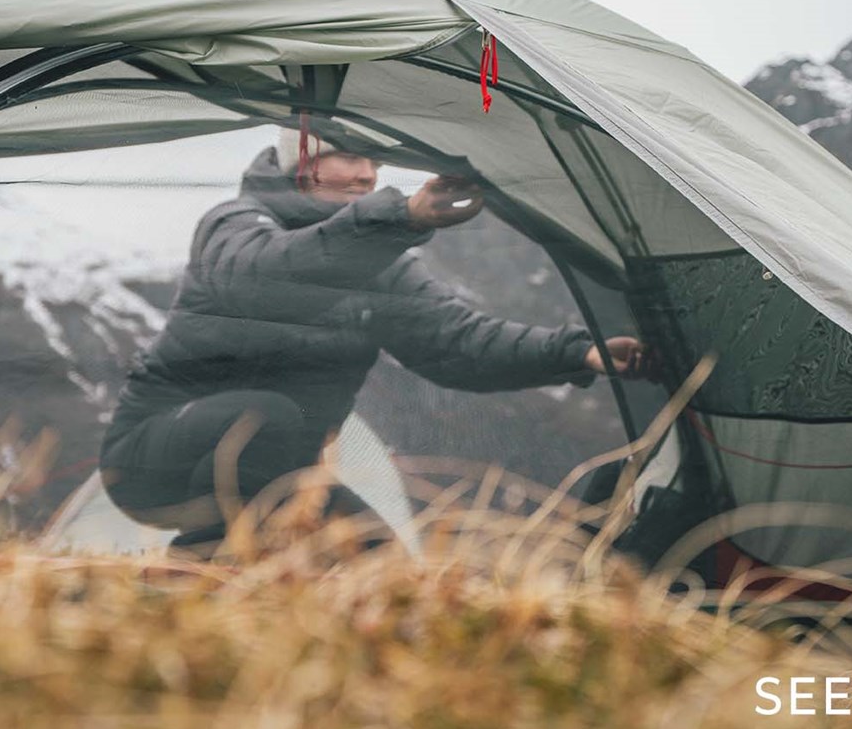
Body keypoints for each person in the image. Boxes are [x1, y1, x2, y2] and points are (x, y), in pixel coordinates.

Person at [99, 127, 650, 552]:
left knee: (385, 574)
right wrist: (400, 217)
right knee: (268, 414)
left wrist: (578, 351)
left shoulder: (378, 267)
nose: (367, 175)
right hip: (154, 459)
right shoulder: (235, 224)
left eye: (375, 161)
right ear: (303, 164)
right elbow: (268, 278)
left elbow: (456, 341)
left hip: (281, 477)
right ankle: (200, 573)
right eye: (350, 156)